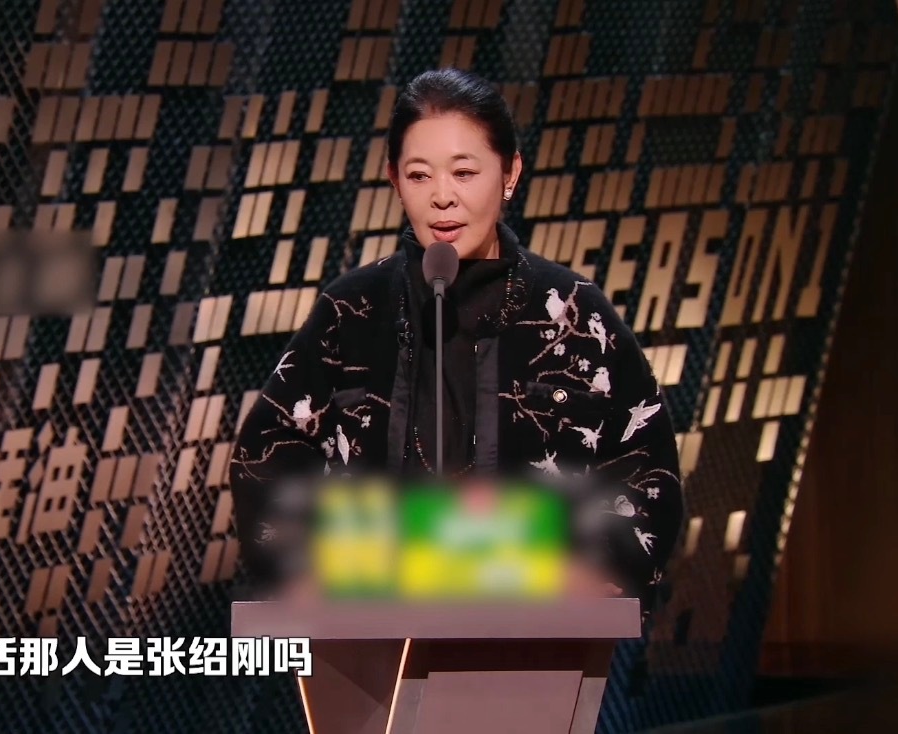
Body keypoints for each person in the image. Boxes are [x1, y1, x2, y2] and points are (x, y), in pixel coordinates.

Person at [230, 68, 684, 621]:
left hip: (532, 630)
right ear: (394, 180)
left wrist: (591, 568)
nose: (442, 197)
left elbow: (644, 467)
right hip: (368, 621)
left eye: (465, 172)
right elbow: (267, 458)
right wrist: (305, 566)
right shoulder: (353, 310)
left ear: (510, 173)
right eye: (419, 176)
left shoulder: (573, 312)